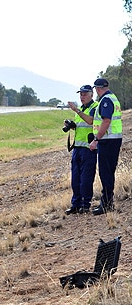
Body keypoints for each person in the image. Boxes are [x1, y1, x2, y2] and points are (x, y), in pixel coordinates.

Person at [89, 78, 122, 215]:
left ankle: (107, 204)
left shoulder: (106, 100)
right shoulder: (113, 97)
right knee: (108, 172)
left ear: (97, 89)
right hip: (113, 139)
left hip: (108, 140)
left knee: (105, 172)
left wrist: (96, 139)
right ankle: (107, 202)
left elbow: (106, 121)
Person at [65, 85, 98, 214]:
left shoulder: (94, 107)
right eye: (81, 94)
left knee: (86, 179)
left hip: (89, 149)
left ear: (91, 95)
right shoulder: (81, 110)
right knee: (75, 179)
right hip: (78, 148)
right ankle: (75, 204)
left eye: (85, 94)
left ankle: (85, 204)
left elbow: (90, 121)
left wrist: (77, 110)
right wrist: (72, 126)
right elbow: (82, 126)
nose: (82, 96)